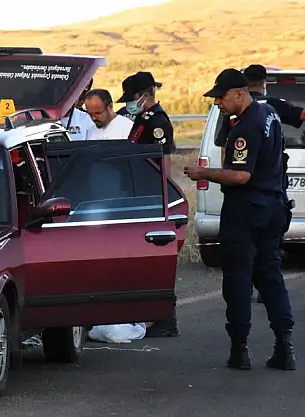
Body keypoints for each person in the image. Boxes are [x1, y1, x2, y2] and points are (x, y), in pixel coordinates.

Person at [183, 68, 296, 371]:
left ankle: (240, 349)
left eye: (221, 97)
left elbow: (241, 175)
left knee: (238, 278)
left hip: (247, 211)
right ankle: (284, 346)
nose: (217, 102)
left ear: (239, 93)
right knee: (270, 275)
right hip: (273, 207)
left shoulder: (245, 127)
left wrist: (203, 172)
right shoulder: (269, 114)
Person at [215, 65, 304, 304]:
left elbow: (225, 150)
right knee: (269, 255)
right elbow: (301, 116)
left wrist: (224, 174)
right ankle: (266, 292)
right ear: (264, 83)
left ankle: (244, 302)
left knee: (239, 262)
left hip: (242, 195)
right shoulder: (273, 106)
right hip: (273, 189)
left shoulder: (235, 113)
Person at [118, 71, 179, 337]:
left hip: (149, 197)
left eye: (131, 99)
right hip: (135, 194)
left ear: (144, 96)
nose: (128, 104)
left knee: (155, 260)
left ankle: (167, 320)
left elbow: (162, 163)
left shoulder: (158, 122)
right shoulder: (139, 117)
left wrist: (160, 199)